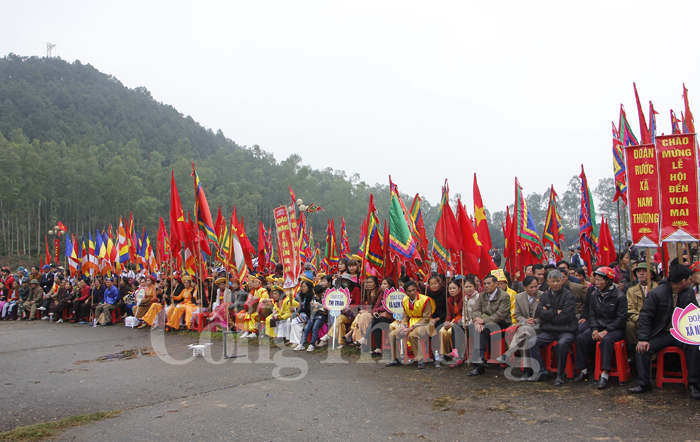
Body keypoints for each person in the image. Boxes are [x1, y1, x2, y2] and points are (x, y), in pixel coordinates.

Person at [629, 265, 700, 398]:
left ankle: (693, 383)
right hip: (662, 331)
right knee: (641, 348)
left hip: (682, 332)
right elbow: (645, 316)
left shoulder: (689, 291)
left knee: (695, 346)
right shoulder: (657, 293)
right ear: (683, 281)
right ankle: (644, 383)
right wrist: (643, 338)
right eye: (689, 278)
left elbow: (694, 312)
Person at [573, 267, 627, 389]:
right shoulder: (594, 294)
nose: (596, 282)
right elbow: (592, 314)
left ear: (608, 280)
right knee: (581, 338)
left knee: (607, 340)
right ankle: (583, 370)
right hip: (598, 326)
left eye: (599, 280)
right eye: (595, 279)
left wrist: (606, 331)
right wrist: (595, 329)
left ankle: (605, 373)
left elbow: (621, 318)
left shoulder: (620, 296)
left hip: (614, 328)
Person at [528, 270, 577, 386]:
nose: (556, 284)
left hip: (566, 329)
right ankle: (542, 371)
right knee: (531, 342)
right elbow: (540, 313)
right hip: (549, 330)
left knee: (562, 344)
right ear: (548, 282)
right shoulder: (545, 296)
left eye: (558, 281)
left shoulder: (569, 295)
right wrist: (556, 312)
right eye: (553, 281)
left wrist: (549, 314)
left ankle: (560, 374)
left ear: (562, 281)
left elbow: (566, 316)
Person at [496, 276, 542, 380]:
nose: (535, 289)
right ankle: (527, 370)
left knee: (523, 330)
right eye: (531, 287)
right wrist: (526, 321)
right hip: (525, 326)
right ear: (525, 287)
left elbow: (546, 315)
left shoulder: (543, 296)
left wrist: (535, 320)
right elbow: (517, 315)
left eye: (536, 286)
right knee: (524, 338)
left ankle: (508, 354)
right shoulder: (519, 297)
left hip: (539, 326)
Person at [466, 274, 512, 375]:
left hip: (501, 324)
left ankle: (478, 363)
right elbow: (476, 310)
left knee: (480, 329)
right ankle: (480, 359)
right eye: (485, 283)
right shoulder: (482, 295)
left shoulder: (504, 296)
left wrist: (483, 321)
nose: (486, 286)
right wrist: (477, 320)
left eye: (489, 283)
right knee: (477, 328)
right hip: (485, 324)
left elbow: (500, 315)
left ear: (496, 284)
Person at [386, 281, 434, 370]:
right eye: (409, 291)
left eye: (413, 290)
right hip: (409, 323)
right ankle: (395, 358)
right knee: (392, 334)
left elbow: (426, 318)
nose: (412, 292)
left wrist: (411, 327)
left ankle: (420, 359)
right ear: (406, 292)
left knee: (413, 335)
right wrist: (403, 325)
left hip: (425, 324)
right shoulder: (405, 300)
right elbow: (405, 316)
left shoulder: (425, 299)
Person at [625, 262, 658, 353]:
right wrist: (640, 319)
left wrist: (648, 319)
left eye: (644, 271)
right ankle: (633, 352)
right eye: (639, 271)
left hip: (655, 319)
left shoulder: (659, 288)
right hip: (638, 320)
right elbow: (630, 309)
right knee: (629, 326)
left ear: (651, 274)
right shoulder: (631, 290)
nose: (641, 273)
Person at [438, 279, 465, 365]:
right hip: (453, 320)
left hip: (460, 320)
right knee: (442, 330)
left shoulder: (464, 299)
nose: (452, 290)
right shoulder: (449, 299)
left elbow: (463, 315)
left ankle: (456, 354)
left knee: (450, 331)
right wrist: (446, 322)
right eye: (450, 288)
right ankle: (444, 354)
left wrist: (453, 324)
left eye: (454, 288)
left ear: (459, 289)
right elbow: (449, 313)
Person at [296, 285, 328, 352]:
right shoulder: (314, 296)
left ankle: (312, 344)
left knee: (315, 328)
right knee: (307, 328)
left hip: (321, 315)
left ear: (322, 292)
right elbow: (312, 305)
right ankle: (302, 344)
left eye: (319, 294)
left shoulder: (326, 297)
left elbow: (326, 308)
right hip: (313, 314)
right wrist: (312, 306)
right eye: (316, 294)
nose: (318, 295)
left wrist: (318, 306)